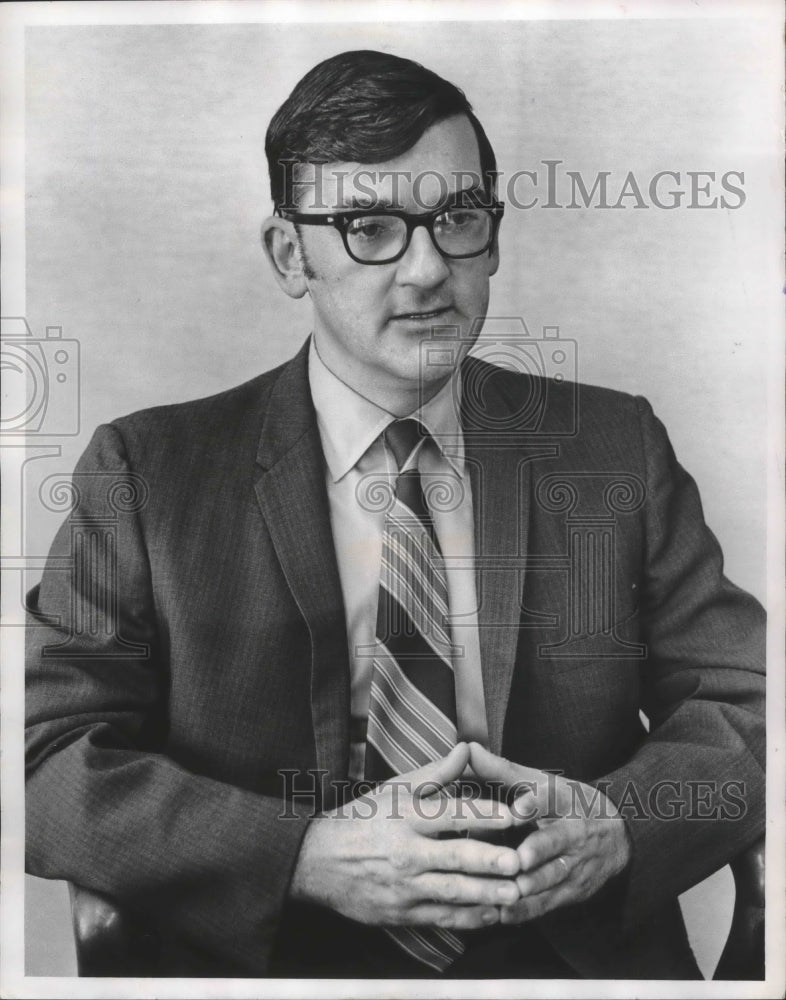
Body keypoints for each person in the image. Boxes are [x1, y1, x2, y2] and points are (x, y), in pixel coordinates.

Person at [25, 49, 765, 979]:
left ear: (492, 239)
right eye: (370, 227)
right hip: (270, 964)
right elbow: (40, 759)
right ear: (290, 253)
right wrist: (301, 856)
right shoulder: (146, 474)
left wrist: (620, 825)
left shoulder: (612, 446)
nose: (426, 270)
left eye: (456, 219)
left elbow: (752, 702)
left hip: (567, 959)